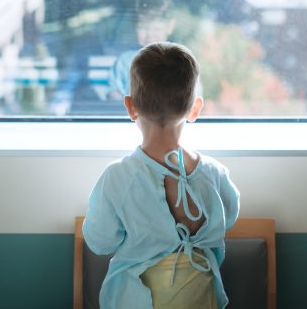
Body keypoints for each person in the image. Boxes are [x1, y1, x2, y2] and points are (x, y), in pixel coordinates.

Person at [83, 42, 240, 309]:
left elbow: (99, 241)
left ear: (130, 106)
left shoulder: (118, 178)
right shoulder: (214, 174)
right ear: (195, 109)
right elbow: (230, 215)